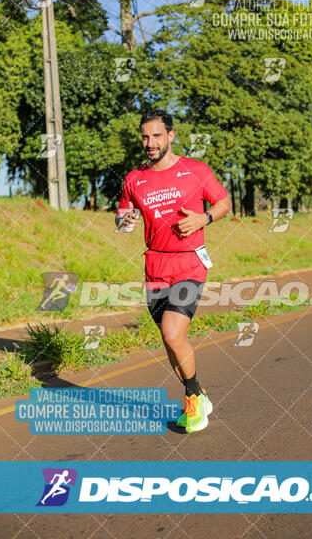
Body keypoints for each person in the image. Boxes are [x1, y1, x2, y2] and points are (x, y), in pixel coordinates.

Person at [116, 109, 231, 432]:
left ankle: (194, 398)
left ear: (171, 136)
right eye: (144, 136)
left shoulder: (195, 170)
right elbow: (122, 216)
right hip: (155, 263)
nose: (149, 143)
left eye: (155, 136)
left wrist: (203, 218)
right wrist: (124, 221)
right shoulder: (134, 178)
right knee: (170, 342)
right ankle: (196, 394)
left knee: (172, 332)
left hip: (189, 262)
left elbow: (223, 202)